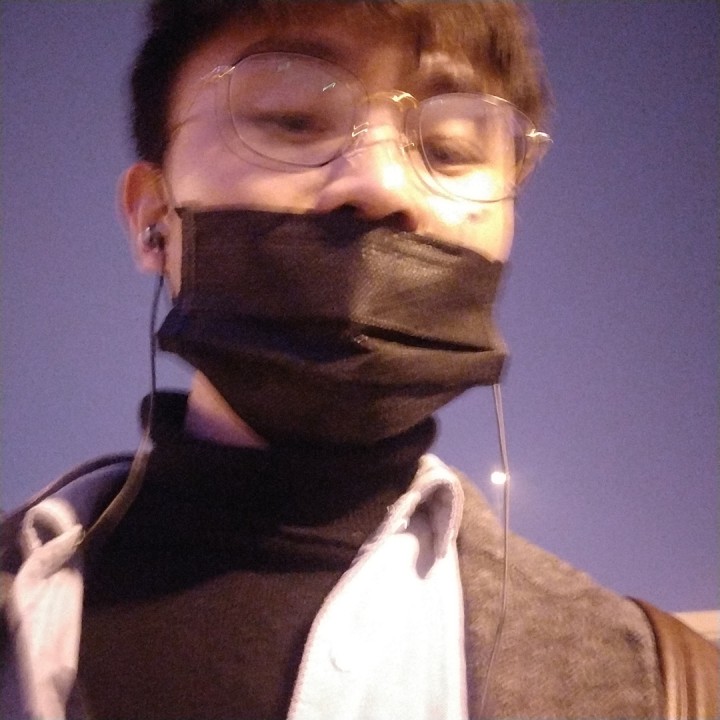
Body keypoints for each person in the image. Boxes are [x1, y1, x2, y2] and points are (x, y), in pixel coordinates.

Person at [1, 1, 717, 719]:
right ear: (153, 217)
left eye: (449, 149)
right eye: (292, 119)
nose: (381, 184)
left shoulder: (669, 690)